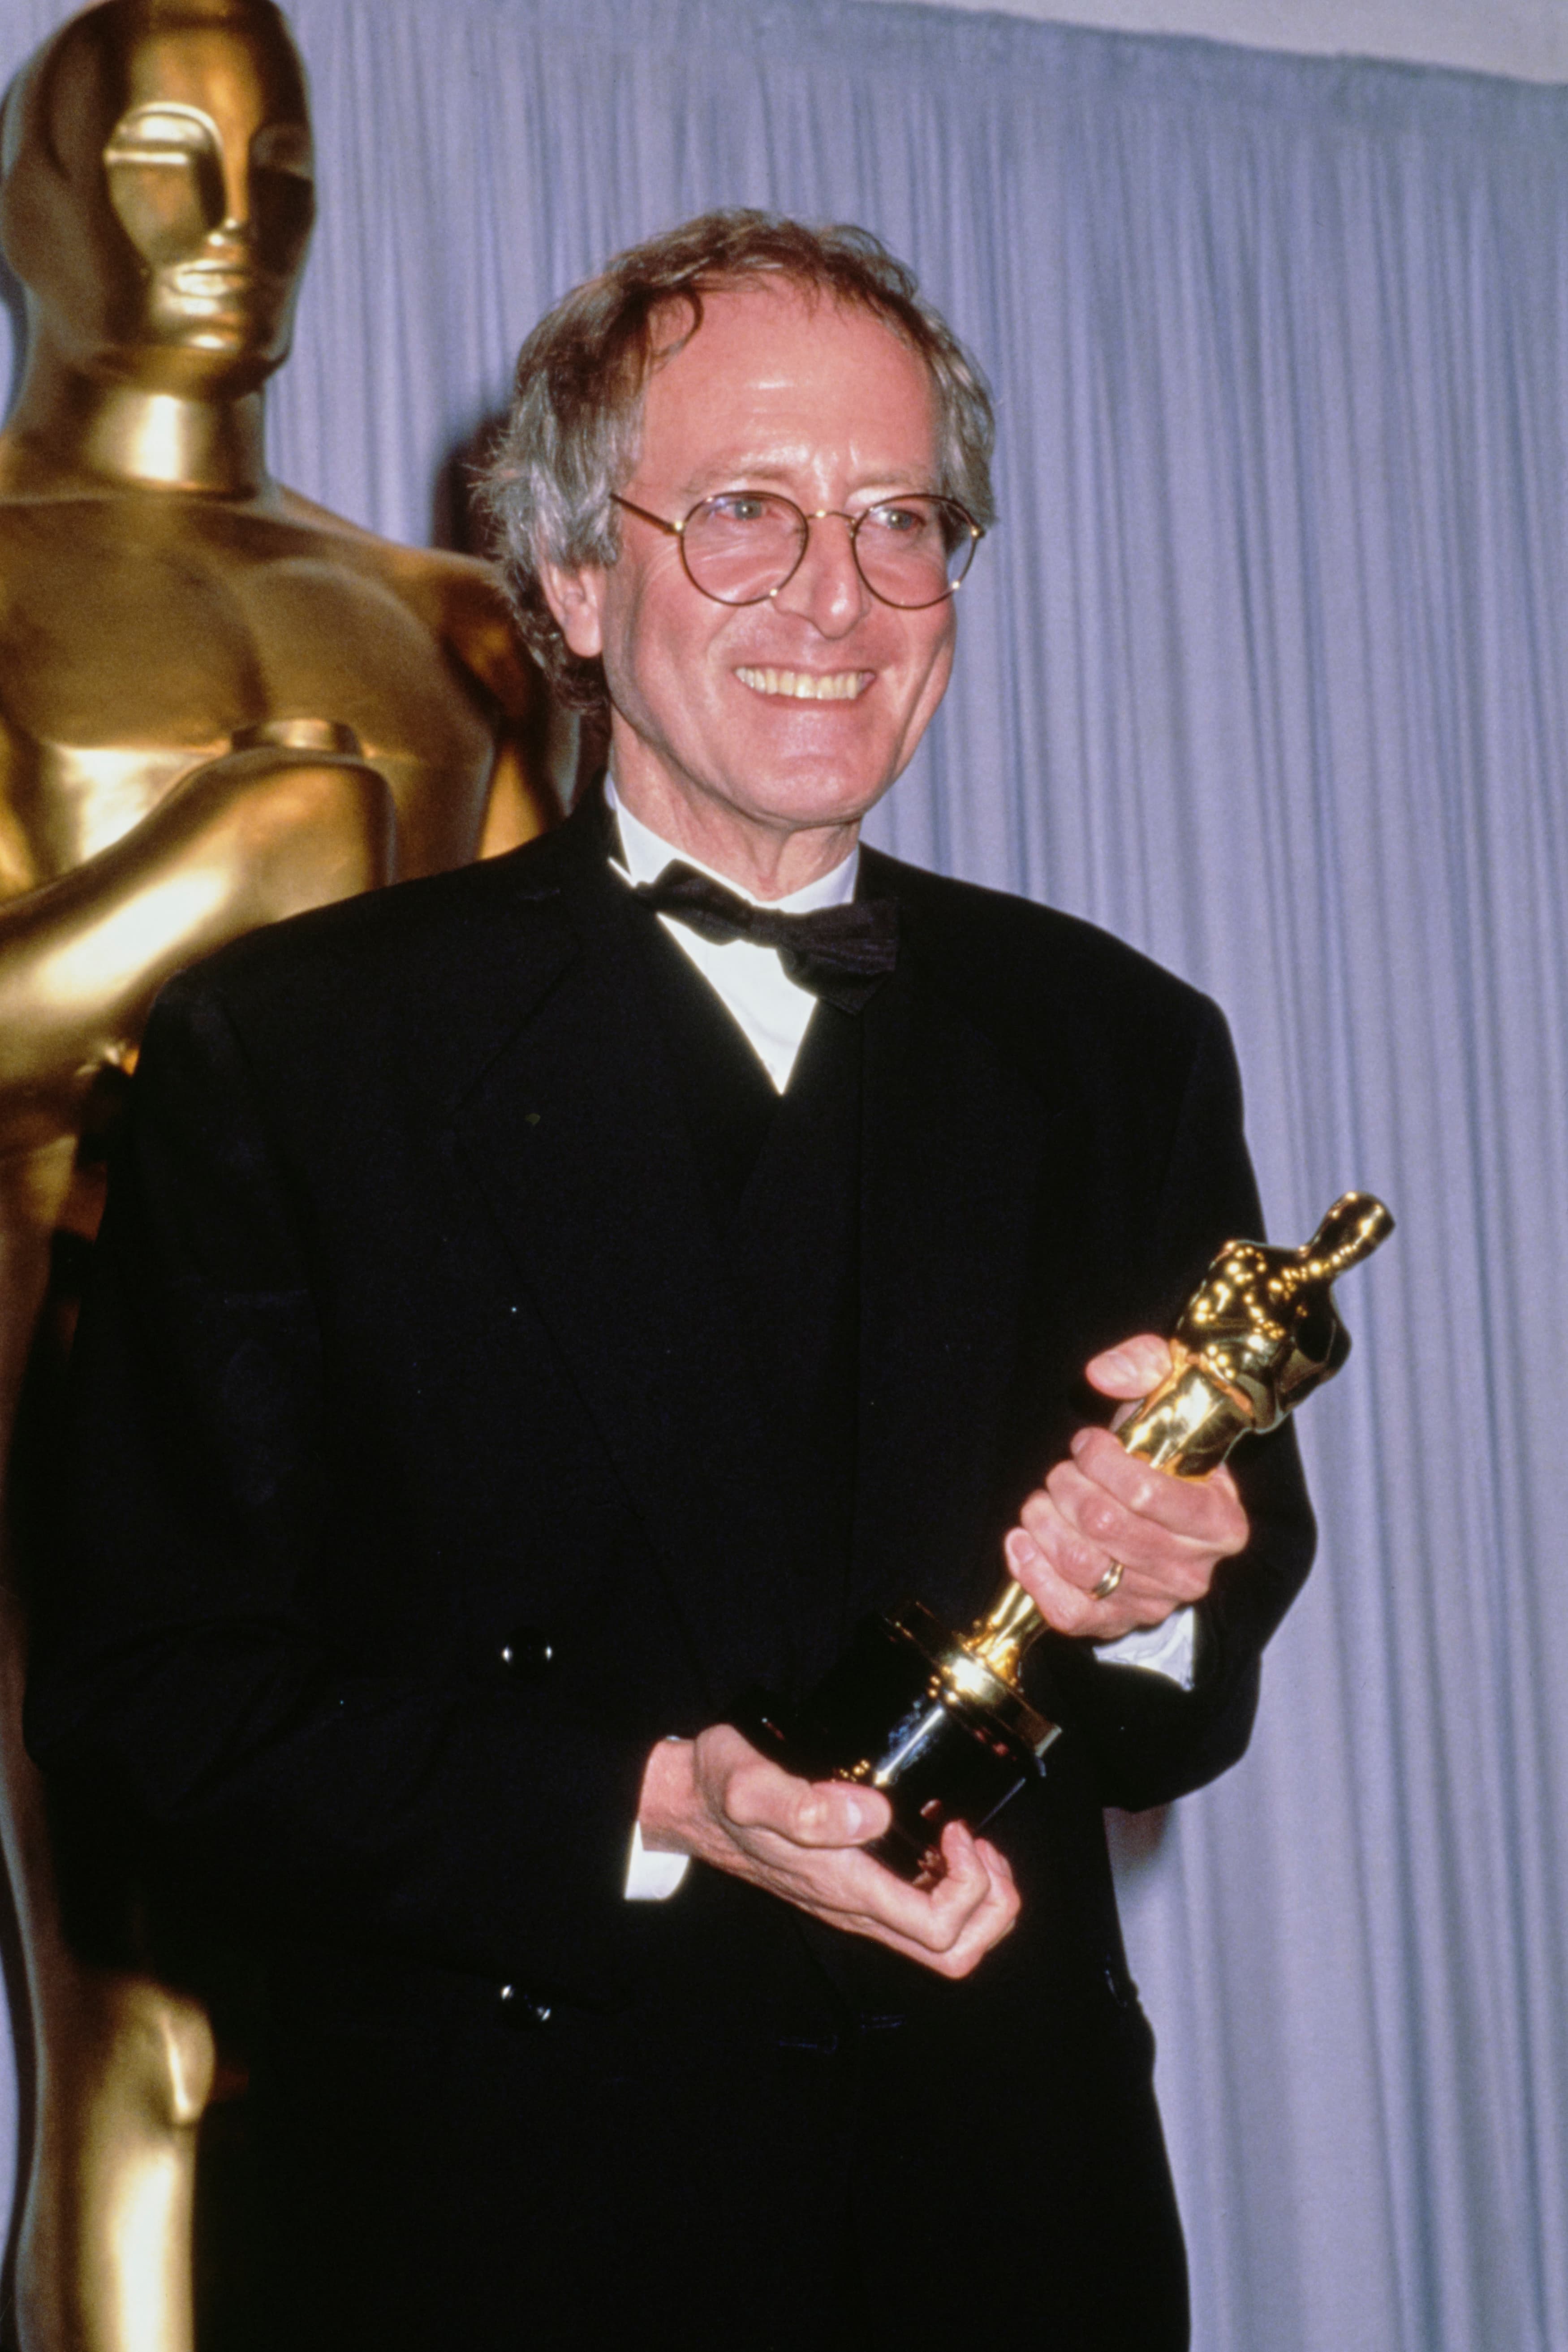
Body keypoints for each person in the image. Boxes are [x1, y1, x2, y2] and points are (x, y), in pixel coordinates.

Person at [26, 210, 1315, 2349]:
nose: (836, 594)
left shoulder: (1114, 1042)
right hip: (487, 2232)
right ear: (566, 579)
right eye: (743, 512)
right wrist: (645, 1797)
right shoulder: (297, 1051)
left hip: (1005, 2228)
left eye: (898, 518)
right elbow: (151, 1707)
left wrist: (1165, 1590)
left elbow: (1179, 1690)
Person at [0, 3, 553, 2343]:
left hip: (431, 1392)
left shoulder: (445, 612)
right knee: (157, 2035)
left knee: (482, 2025)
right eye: (164, 157)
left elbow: (555, 1055)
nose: (235, 223)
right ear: (38, 200)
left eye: (279, 170)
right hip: (76, 1358)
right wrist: (240, 871)